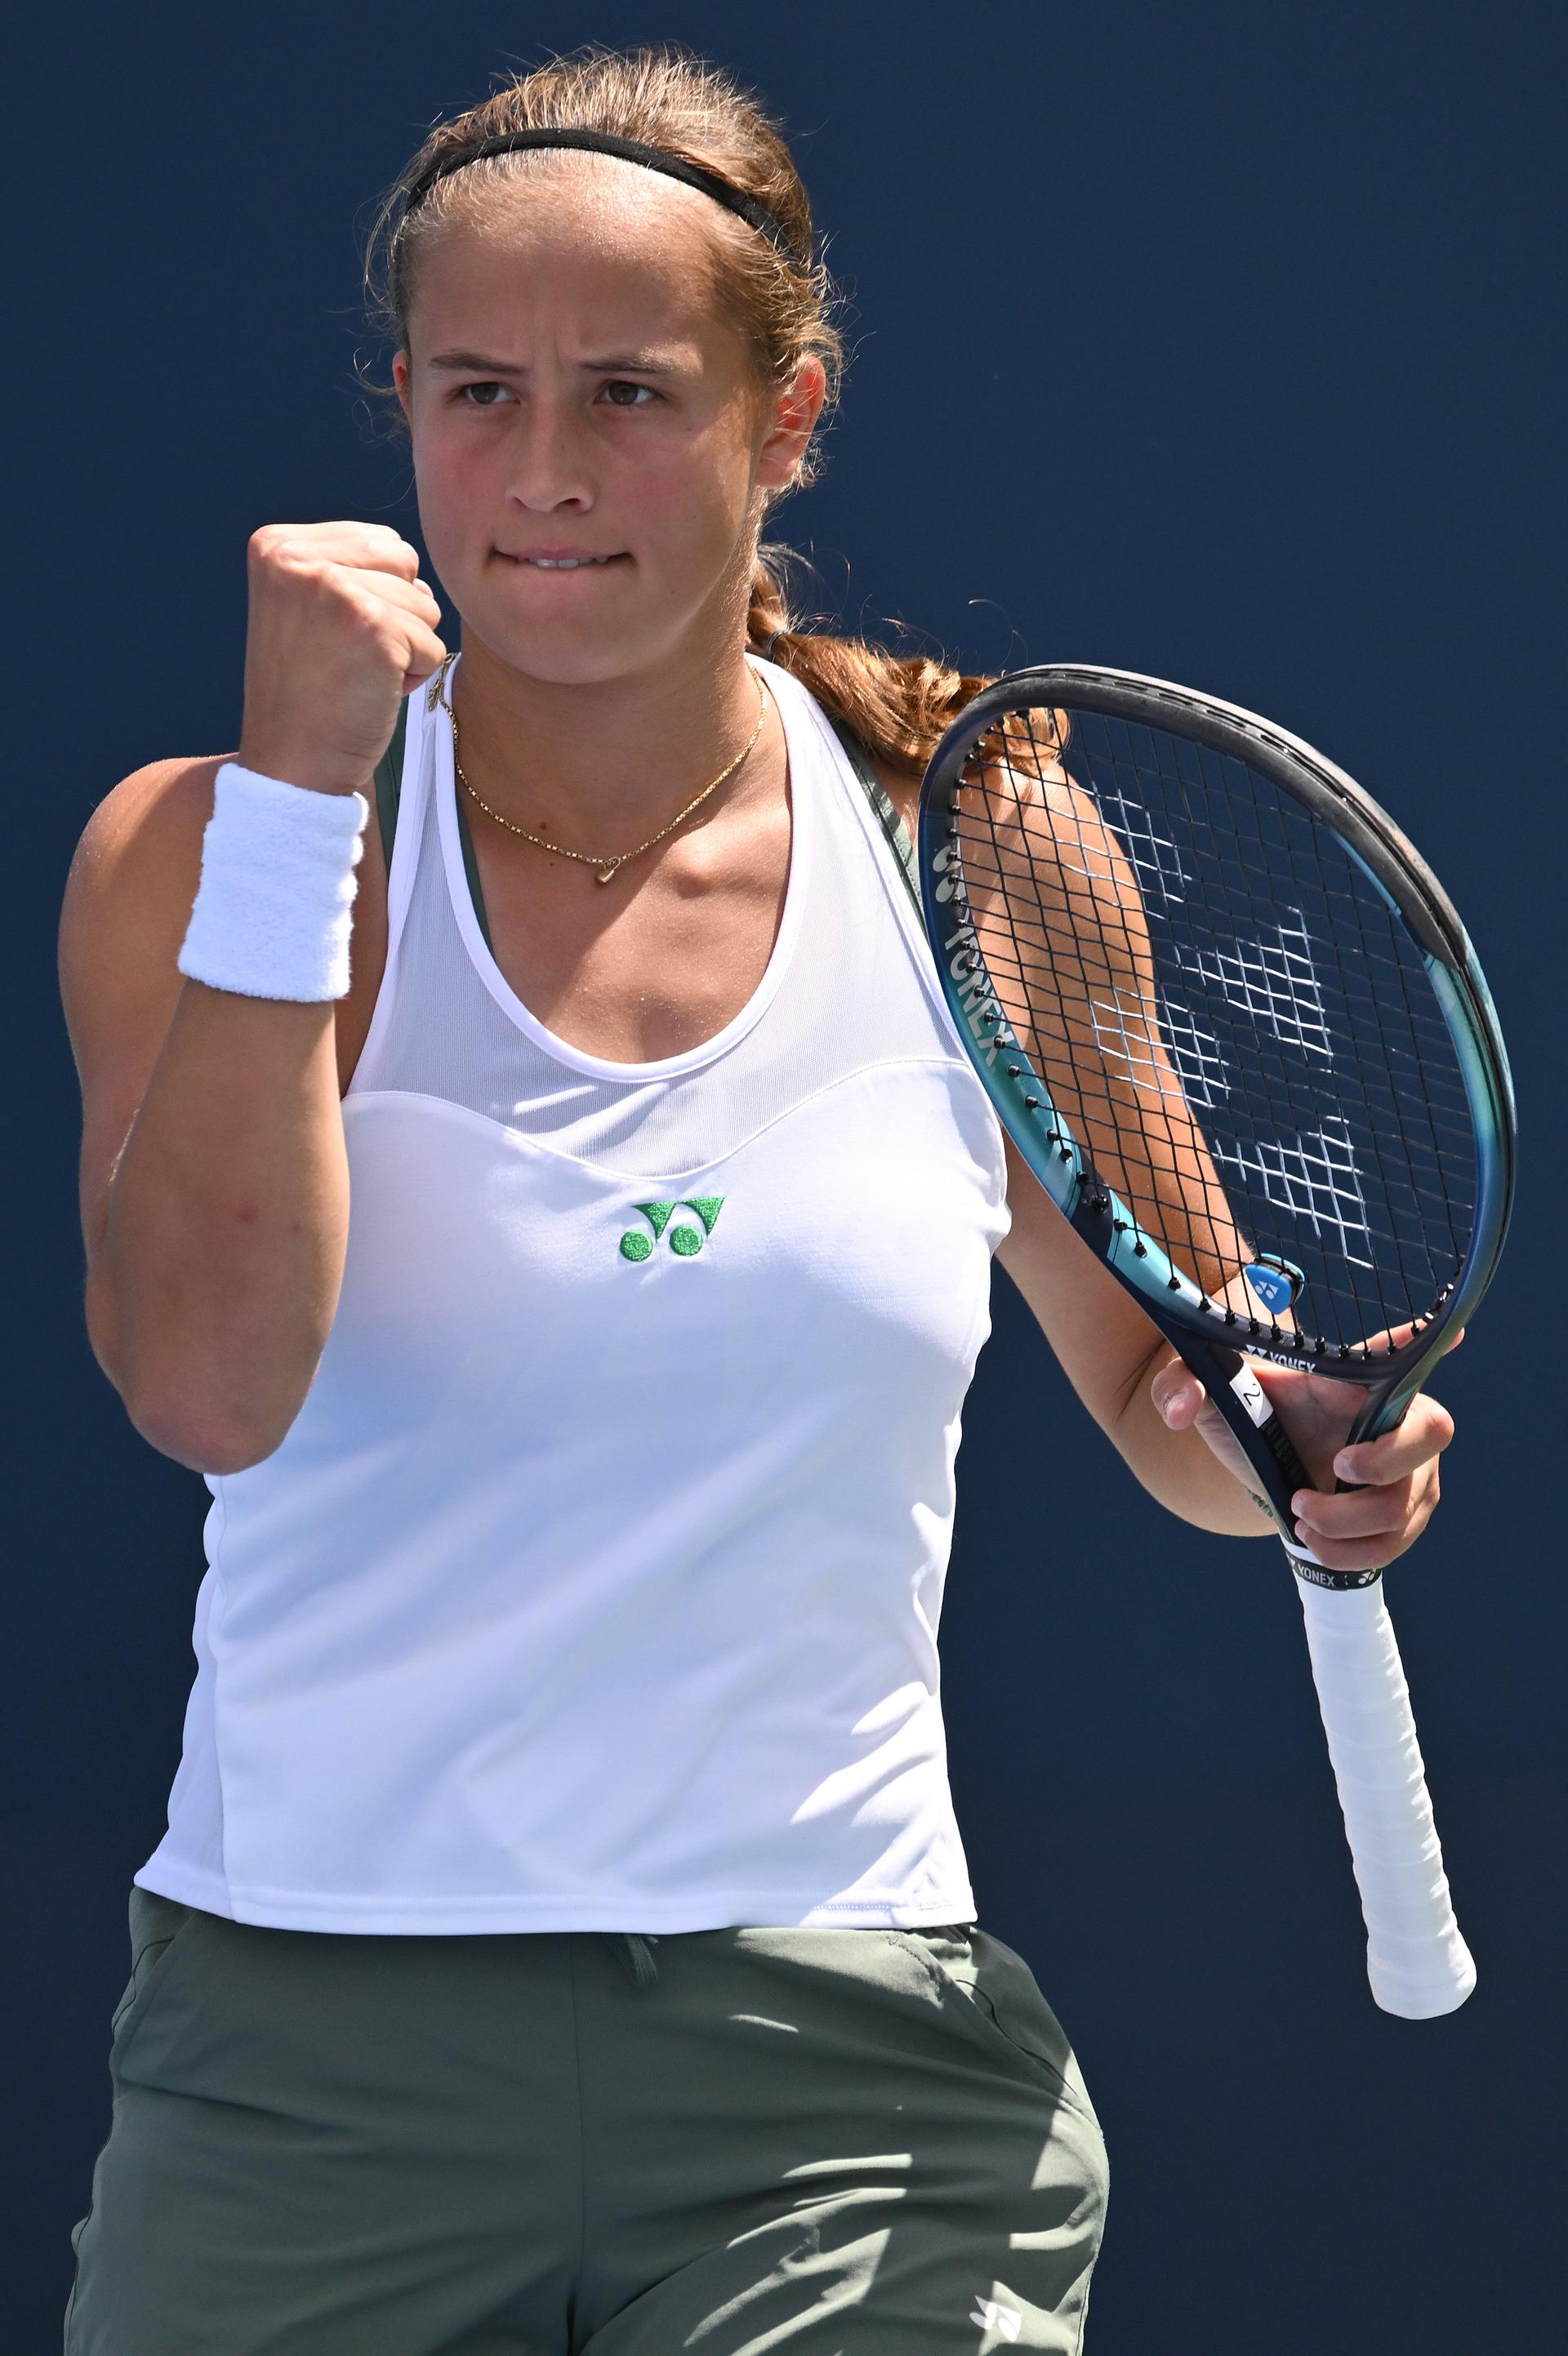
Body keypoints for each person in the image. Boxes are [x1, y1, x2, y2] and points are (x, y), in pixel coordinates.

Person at [56, 43, 1456, 2356]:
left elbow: (1164, 1381)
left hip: (853, 2086)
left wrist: (1290, 1448)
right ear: (396, 404)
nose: (544, 478)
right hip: (302, 2065)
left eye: (630, 392)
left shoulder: (979, 842)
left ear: (783, 415)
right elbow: (208, 1385)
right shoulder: (212, 851)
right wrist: (306, 799)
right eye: (479, 393)